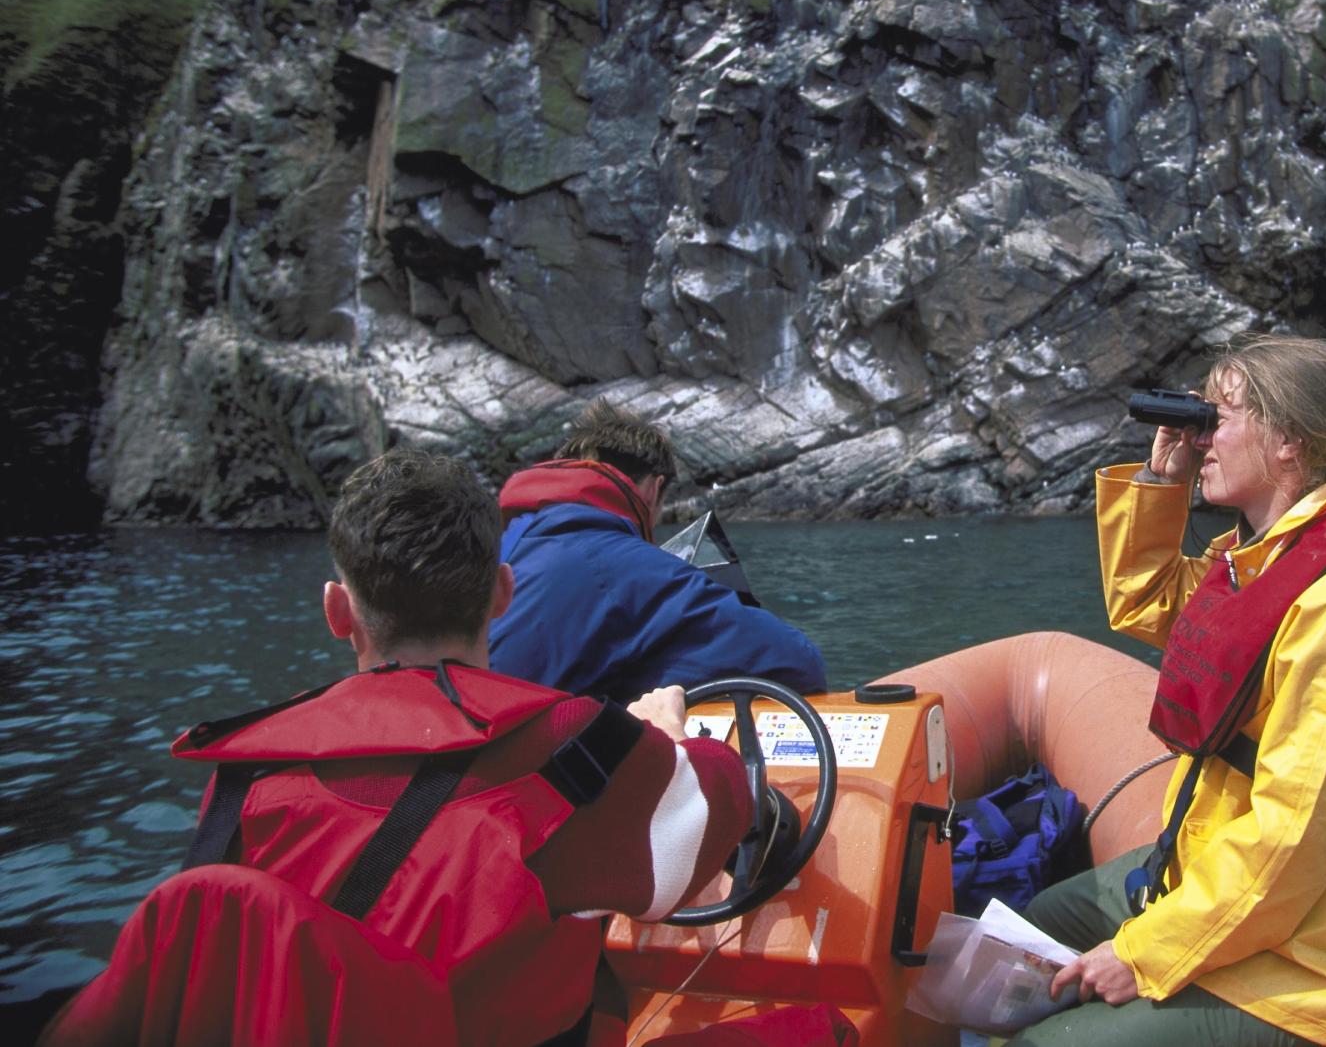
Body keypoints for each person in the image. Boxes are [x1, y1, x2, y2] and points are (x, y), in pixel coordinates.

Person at [41, 450, 755, 1047]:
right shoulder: (575, 750)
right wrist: (669, 737)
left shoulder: (241, 775)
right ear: (502, 593)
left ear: (336, 610)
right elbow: (711, 827)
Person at [1018, 333, 1326, 1047]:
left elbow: (1291, 840)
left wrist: (1142, 952)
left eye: (1218, 419)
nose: (1202, 438)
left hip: (1315, 949)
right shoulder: (1257, 565)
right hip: (1209, 859)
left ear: (1288, 441)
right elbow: (1150, 603)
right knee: (1036, 928)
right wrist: (1163, 483)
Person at [490, 399, 828, 702]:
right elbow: (799, 661)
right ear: (655, 488)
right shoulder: (626, 565)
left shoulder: (495, 538)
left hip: (456, 753)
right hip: (509, 765)